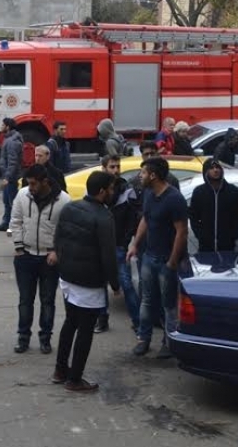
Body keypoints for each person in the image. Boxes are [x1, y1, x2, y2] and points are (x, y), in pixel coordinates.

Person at [51, 171, 119, 392]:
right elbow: (108, 255)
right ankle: (74, 378)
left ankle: (60, 370)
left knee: (70, 322)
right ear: (101, 191)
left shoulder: (71, 207)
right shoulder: (103, 216)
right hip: (89, 282)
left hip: (68, 277)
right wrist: (115, 284)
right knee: (86, 329)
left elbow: (58, 238)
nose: (113, 192)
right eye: (111, 188)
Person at [126, 157, 188, 358]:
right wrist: (135, 245)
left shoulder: (174, 199)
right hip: (148, 257)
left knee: (169, 305)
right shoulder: (149, 194)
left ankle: (169, 342)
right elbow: (146, 218)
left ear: (153, 175)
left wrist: (172, 261)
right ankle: (143, 339)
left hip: (166, 261)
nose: (140, 176)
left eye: (143, 172)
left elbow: (181, 232)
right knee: (147, 300)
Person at [9, 164, 70, 355]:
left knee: (48, 301)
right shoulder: (22, 195)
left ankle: (45, 339)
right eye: (29, 183)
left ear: (45, 181)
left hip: (49, 259)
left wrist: (56, 252)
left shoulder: (64, 200)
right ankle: (23, 338)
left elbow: (66, 231)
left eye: (34, 183)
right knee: (25, 300)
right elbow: (15, 221)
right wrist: (19, 247)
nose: (31, 187)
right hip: (25, 256)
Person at [95, 154, 140, 334]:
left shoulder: (126, 191)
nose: (115, 170)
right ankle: (102, 319)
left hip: (119, 245)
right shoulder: (97, 191)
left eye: (117, 166)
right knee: (99, 285)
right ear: (104, 168)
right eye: (112, 167)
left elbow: (133, 219)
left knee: (126, 285)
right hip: (100, 245)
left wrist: (126, 240)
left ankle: (138, 323)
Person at [189, 158, 238, 252]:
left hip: (227, 245)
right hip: (205, 246)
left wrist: (233, 235)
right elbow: (193, 216)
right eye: (211, 168)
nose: (215, 170)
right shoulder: (199, 192)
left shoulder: (232, 191)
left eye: (218, 167)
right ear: (206, 171)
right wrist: (200, 235)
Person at [0, 118, 23, 232]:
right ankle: (6, 222)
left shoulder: (12, 142)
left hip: (11, 178)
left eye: (2, 125)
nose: (1, 127)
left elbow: (13, 162)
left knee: (12, 202)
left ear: (8, 127)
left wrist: (7, 177)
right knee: (7, 201)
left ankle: (13, 224)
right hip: (9, 177)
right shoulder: (9, 139)